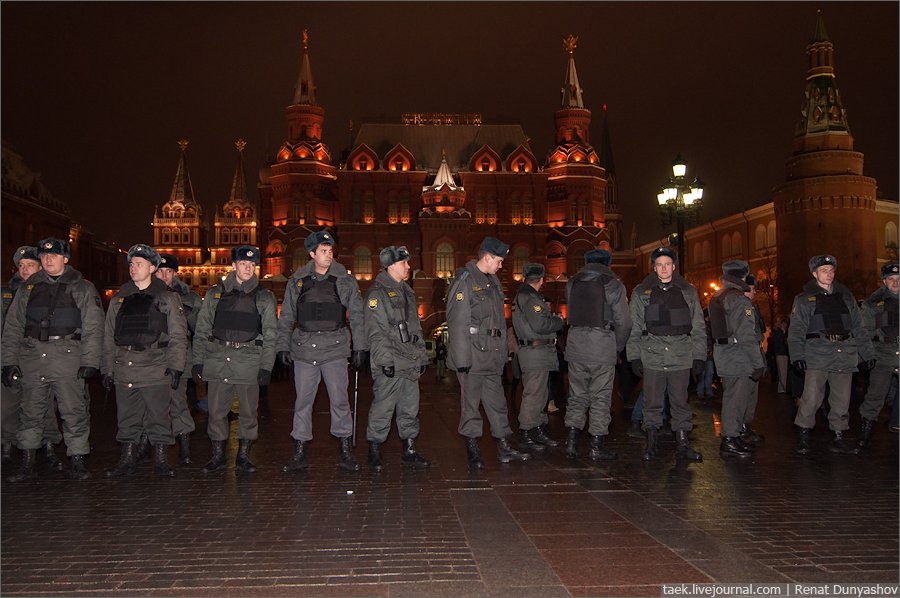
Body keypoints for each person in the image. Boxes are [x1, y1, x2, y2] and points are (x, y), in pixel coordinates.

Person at [1, 238, 104, 481]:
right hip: (33, 357)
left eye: (54, 255)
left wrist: (90, 361)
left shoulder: (83, 288)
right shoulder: (29, 288)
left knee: (73, 411)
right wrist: (8, 361)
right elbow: (13, 326)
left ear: (65, 259)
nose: (48, 259)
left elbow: (93, 327)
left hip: (67, 357)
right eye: (44, 256)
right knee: (31, 412)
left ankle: (77, 460)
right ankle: (27, 463)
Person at [277, 231, 368, 472]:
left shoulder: (344, 280)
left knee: (340, 402)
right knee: (303, 403)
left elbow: (357, 315)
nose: (329, 256)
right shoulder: (297, 280)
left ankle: (345, 450)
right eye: (324, 252)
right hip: (304, 351)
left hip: (335, 350)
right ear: (312, 254)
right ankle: (299, 452)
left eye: (331, 251)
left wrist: (360, 347)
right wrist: (282, 346)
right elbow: (286, 315)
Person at [103, 244, 188, 477]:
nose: (133, 268)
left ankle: (161, 461)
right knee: (127, 418)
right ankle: (127, 459)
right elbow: (109, 336)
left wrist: (176, 367)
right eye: (131, 264)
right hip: (125, 367)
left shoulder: (167, 298)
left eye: (139, 264)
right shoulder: (120, 299)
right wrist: (107, 370)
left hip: (154, 367)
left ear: (152, 268)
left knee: (158, 417)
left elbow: (179, 336)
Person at [192, 246, 277, 474]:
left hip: (249, 361)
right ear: (234, 266)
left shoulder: (264, 297)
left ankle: (243, 456)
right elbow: (202, 330)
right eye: (243, 264)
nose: (248, 268)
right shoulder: (214, 294)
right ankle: (218, 456)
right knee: (217, 411)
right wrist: (197, 362)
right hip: (218, 359)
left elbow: (270, 335)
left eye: (251, 265)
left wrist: (266, 367)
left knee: (249, 413)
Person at [446, 236, 529, 469]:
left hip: (491, 354)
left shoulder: (493, 282)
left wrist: (503, 354)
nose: (502, 265)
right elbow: (457, 322)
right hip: (472, 355)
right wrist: (462, 360)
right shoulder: (465, 280)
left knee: (498, 402)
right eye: (500, 260)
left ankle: (504, 445)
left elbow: (499, 325)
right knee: (471, 405)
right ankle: (472, 449)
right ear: (488, 257)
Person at [789, 254, 875, 456]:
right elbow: (796, 331)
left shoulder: (846, 298)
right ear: (814, 274)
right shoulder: (804, 300)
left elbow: (859, 328)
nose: (829, 274)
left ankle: (838, 437)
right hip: (817, 353)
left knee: (842, 399)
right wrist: (797, 356)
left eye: (831, 270)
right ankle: (803, 436)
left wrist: (867, 353)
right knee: (811, 398)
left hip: (844, 353)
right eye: (824, 271)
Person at [626, 247, 706, 462]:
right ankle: (651, 444)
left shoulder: (688, 292)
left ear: (673, 266)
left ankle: (682, 445)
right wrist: (633, 356)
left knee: (680, 402)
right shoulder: (641, 293)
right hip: (652, 354)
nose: (663, 268)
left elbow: (698, 327)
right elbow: (634, 327)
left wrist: (699, 356)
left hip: (681, 354)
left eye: (667, 264)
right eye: (659, 264)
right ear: (654, 267)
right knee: (652, 403)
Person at [363, 245, 430, 471]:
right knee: (384, 407)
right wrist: (384, 361)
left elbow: (415, 329)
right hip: (390, 359)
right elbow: (376, 331)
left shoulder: (407, 292)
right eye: (404, 263)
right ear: (391, 265)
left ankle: (409, 450)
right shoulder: (377, 293)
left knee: (410, 407)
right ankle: (374, 449)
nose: (408, 266)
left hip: (409, 360)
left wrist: (422, 357)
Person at [1, 246, 64, 474]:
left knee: (44, 406)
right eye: (22, 266)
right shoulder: (6, 293)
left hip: (38, 359)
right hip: (10, 358)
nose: (25, 270)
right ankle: (7, 449)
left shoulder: (47, 291)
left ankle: (48, 448)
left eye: (31, 266)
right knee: (7, 406)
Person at [562, 249, 631, 461]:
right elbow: (624, 322)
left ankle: (572, 444)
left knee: (577, 396)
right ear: (608, 264)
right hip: (602, 346)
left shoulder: (572, 283)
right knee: (600, 397)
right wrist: (617, 347)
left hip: (575, 347)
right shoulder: (613, 283)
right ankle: (596, 446)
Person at [708, 261, 766, 458]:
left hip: (724, 353)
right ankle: (730, 439)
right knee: (736, 399)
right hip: (738, 355)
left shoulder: (719, 296)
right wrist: (758, 363)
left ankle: (733, 436)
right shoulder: (739, 300)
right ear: (742, 277)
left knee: (733, 397)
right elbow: (747, 335)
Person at [153, 253, 201, 464]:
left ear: (175, 274)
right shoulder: (144, 294)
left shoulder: (188, 297)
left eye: (168, 272)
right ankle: (151, 445)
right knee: (150, 403)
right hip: (150, 357)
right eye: (160, 271)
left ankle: (185, 446)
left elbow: (199, 328)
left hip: (178, 355)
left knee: (178, 401)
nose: (164, 276)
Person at [512, 262, 565, 453]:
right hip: (535, 353)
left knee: (540, 393)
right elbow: (540, 325)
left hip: (537, 353)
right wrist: (558, 321)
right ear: (541, 279)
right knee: (534, 393)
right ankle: (527, 431)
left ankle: (536, 429)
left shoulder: (525, 295)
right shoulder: (529, 297)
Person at [857, 263, 899, 449]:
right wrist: (867, 355)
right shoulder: (873, 302)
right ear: (884, 281)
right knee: (875, 396)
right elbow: (864, 331)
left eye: (898, 279)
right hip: (883, 354)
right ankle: (865, 435)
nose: (895, 283)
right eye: (891, 279)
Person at [740, 274, 767, 447]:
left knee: (752, 395)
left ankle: (746, 426)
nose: (755, 291)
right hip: (746, 357)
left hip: (755, 353)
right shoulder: (742, 307)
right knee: (743, 395)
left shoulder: (752, 306)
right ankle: (741, 429)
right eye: (752, 288)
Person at [769, 318, 790, 394]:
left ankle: (781, 388)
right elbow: (777, 343)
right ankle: (784, 388)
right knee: (782, 372)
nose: (785, 325)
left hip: (784, 353)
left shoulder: (785, 333)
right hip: (780, 354)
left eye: (786, 324)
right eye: (783, 324)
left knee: (784, 371)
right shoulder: (778, 333)